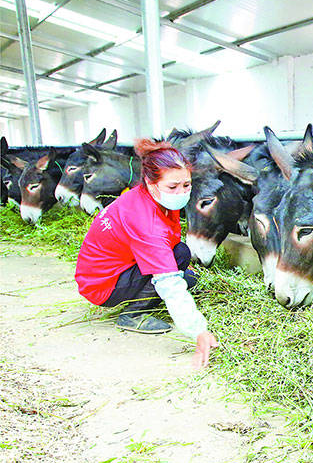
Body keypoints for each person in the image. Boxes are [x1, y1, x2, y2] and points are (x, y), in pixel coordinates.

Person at [75, 139, 218, 368]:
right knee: (176, 267)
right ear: (151, 184)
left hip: (115, 268)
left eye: (187, 185)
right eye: (173, 187)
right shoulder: (146, 221)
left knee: (180, 253)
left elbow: (168, 243)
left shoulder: (149, 198)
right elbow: (169, 285)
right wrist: (199, 331)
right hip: (103, 285)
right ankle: (132, 316)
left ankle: (143, 290)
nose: (181, 192)